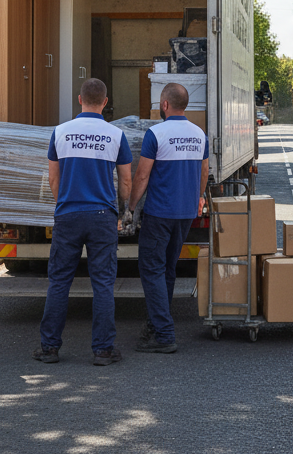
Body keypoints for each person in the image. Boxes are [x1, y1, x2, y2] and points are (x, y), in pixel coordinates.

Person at [35, 78, 133, 366]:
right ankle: (103, 350)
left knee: (59, 282)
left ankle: (49, 348)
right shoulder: (116, 135)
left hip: (68, 214)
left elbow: (54, 179)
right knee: (103, 283)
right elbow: (126, 181)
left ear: (79, 100)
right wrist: (123, 210)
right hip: (102, 216)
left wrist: (64, 204)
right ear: (105, 102)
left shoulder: (60, 132)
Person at [130, 82, 208, 354]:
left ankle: (164, 333)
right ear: (185, 105)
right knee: (167, 269)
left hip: (159, 213)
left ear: (164, 105)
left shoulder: (156, 133)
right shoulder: (199, 134)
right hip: (185, 213)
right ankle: (156, 325)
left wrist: (130, 206)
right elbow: (204, 172)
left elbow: (142, 175)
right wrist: (199, 197)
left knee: (151, 269)